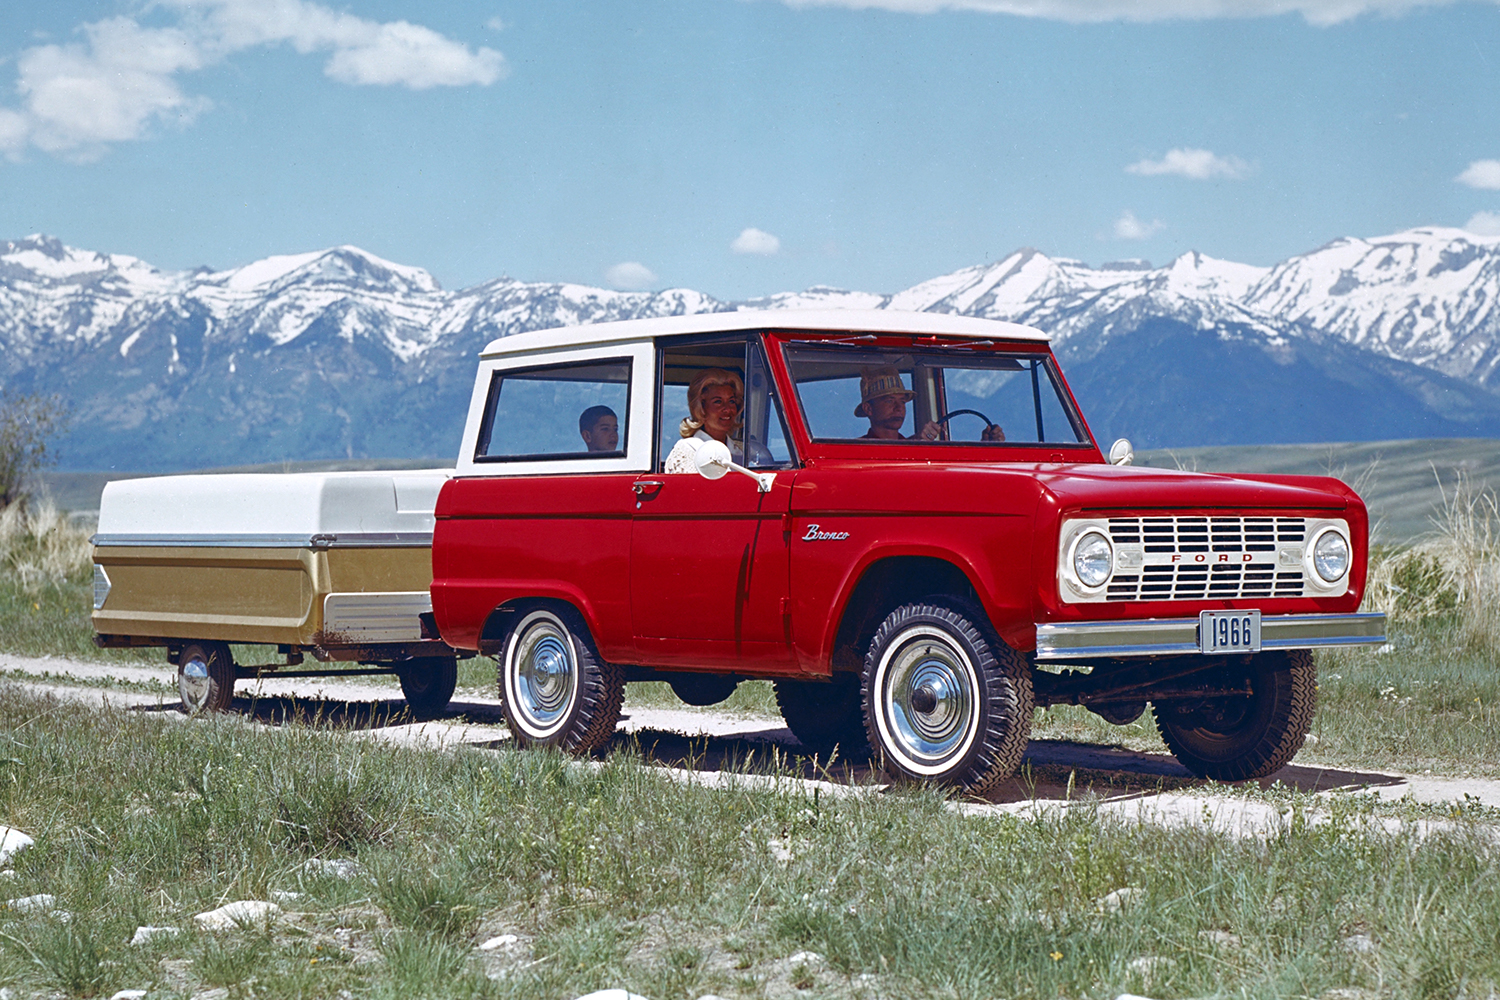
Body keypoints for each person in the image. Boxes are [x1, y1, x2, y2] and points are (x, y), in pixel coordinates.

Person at [855, 366, 1004, 442]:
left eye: (902, 401)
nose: (899, 408)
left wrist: (986, 445)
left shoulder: (920, 448)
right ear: (868, 408)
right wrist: (916, 445)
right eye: (889, 400)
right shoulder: (857, 452)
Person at [664, 368, 743, 473]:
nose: (727, 409)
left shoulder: (744, 451)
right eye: (718, 402)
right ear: (701, 407)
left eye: (731, 401)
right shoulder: (688, 450)